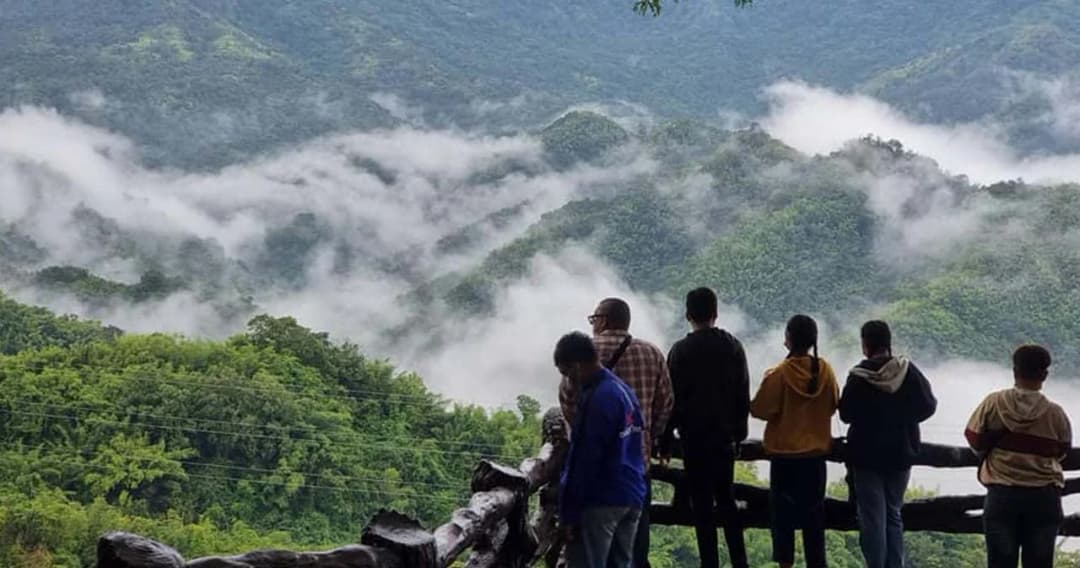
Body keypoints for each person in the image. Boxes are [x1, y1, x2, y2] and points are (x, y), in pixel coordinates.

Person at [560, 298, 673, 567]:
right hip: (635, 469)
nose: (592, 325)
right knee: (633, 551)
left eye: (594, 319)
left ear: (604, 320)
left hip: (594, 474)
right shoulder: (652, 354)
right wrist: (646, 437)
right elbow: (666, 403)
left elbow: (567, 401)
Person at [660, 287, 749, 568]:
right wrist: (739, 434)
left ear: (688, 315)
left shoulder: (680, 351)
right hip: (724, 440)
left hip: (693, 441)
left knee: (702, 509)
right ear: (716, 313)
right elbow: (742, 394)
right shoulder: (733, 346)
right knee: (727, 503)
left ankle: (709, 563)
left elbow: (670, 400)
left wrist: (665, 437)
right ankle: (739, 562)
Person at [839, 320, 937, 568]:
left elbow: (846, 413)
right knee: (894, 514)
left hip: (866, 457)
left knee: (872, 519)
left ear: (866, 345)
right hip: (900, 455)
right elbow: (929, 405)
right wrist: (903, 418)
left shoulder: (859, 376)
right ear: (888, 343)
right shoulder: (908, 371)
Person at [965, 345, 1072, 568]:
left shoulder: (994, 403)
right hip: (1044, 498)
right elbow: (1062, 451)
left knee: (1000, 563)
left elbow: (973, 438)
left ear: (1015, 370)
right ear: (1044, 375)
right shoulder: (1056, 413)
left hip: (1002, 496)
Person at [750, 314, 838, 568]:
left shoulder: (778, 374)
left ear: (788, 339)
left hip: (784, 457)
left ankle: (785, 565)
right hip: (815, 458)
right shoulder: (826, 371)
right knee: (814, 519)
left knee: (782, 520)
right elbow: (833, 404)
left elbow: (759, 409)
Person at [555, 331, 648, 568]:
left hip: (602, 499)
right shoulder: (623, 391)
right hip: (632, 494)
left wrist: (569, 513)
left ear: (576, 366)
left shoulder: (598, 399)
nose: (568, 381)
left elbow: (584, 459)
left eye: (566, 374)